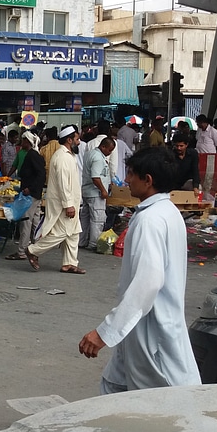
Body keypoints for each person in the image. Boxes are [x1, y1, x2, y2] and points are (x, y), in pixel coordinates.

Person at [78, 147, 201, 393]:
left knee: (163, 404)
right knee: (113, 387)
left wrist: (105, 332)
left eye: (132, 174)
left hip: (153, 330)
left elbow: (149, 281)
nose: (128, 180)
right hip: (140, 327)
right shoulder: (167, 212)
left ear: (148, 181)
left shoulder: (151, 219)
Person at [25, 126, 84, 274]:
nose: (79, 142)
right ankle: (33, 250)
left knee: (74, 233)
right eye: (77, 139)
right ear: (69, 140)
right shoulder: (62, 157)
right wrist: (68, 204)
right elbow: (63, 184)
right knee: (62, 232)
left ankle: (69, 263)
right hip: (64, 203)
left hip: (70, 202)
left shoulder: (69, 156)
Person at [5, 130, 45, 261]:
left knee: (26, 222)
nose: (21, 143)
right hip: (36, 194)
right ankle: (34, 248)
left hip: (31, 194)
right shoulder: (33, 154)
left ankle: (22, 250)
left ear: (27, 142)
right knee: (34, 222)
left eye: (23, 141)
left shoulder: (32, 155)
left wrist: (30, 188)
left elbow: (40, 175)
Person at [79, 137, 115, 251]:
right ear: (103, 147)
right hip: (96, 193)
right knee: (97, 219)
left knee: (84, 218)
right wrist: (103, 190)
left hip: (86, 191)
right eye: (109, 150)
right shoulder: (98, 158)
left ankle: (82, 241)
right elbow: (95, 177)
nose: (110, 153)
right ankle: (94, 243)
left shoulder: (90, 154)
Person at [170, 132, 201, 198]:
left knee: (198, 188)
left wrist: (195, 186)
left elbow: (195, 171)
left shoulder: (193, 154)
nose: (179, 148)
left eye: (181, 146)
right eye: (177, 146)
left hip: (187, 182)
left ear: (186, 145)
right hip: (173, 184)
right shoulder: (170, 155)